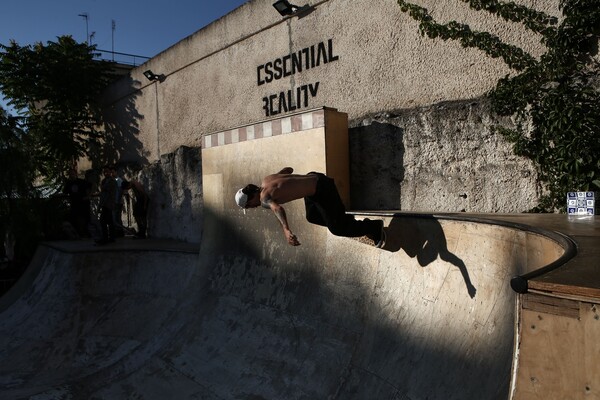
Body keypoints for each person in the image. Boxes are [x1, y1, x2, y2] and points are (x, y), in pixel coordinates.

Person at [235, 167, 385, 247]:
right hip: (314, 178)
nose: (252, 208)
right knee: (311, 216)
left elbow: (278, 209)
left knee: (337, 229)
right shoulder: (266, 180)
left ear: (250, 200)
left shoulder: (264, 199)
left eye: (249, 207)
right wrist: (281, 178)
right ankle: (344, 220)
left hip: (322, 189)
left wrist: (286, 231)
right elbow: (289, 170)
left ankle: (374, 227)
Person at [62, 168, 92, 237]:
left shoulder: (81, 182)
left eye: (73, 174)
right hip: (74, 204)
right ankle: (78, 234)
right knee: (73, 218)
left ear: (76, 174)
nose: (72, 175)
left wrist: (88, 196)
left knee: (86, 219)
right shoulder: (69, 183)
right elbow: (65, 192)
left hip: (84, 204)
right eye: (70, 174)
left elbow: (91, 186)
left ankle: (87, 234)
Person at [96, 165, 117, 245]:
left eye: (107, 171)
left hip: (109, 204)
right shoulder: (104, 181)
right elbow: (103, 193)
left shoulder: (112, 181)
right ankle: (109, 238)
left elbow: (109, 192)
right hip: (104, 204)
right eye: (104, 172)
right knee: (107, 221)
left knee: (104, 221)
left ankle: (107, 238)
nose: (106, 173)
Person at [109, 165, 125, 237]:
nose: (112, 174)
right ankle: (118, 232)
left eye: (113, 172)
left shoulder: (118, 180)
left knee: (116, 218)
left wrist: (117, 201)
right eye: (111, 172)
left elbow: (120, 191)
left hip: (117, 202)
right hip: (115, 202)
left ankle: (119, 232)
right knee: (116, 218)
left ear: (116, 172)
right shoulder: (112, 180)